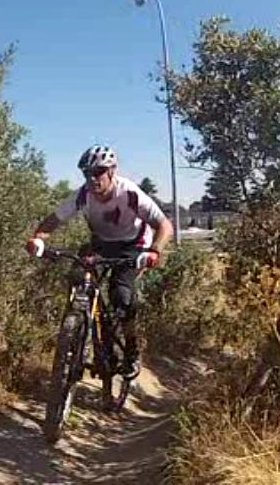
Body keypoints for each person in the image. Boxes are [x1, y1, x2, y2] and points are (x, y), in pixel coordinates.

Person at [26, 144, 174, 379]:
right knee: (78, 275)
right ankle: (78, 329)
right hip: (102, 244)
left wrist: (154, 251)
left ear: (112, 171)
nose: (92, 179)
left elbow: (165, 225)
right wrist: (38, 239)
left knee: (121, 296)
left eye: (98, 172)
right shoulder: (83, 195)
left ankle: (132, 351)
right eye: (87, 173)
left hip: (133, 246)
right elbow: (53, 220)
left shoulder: (129, 193)